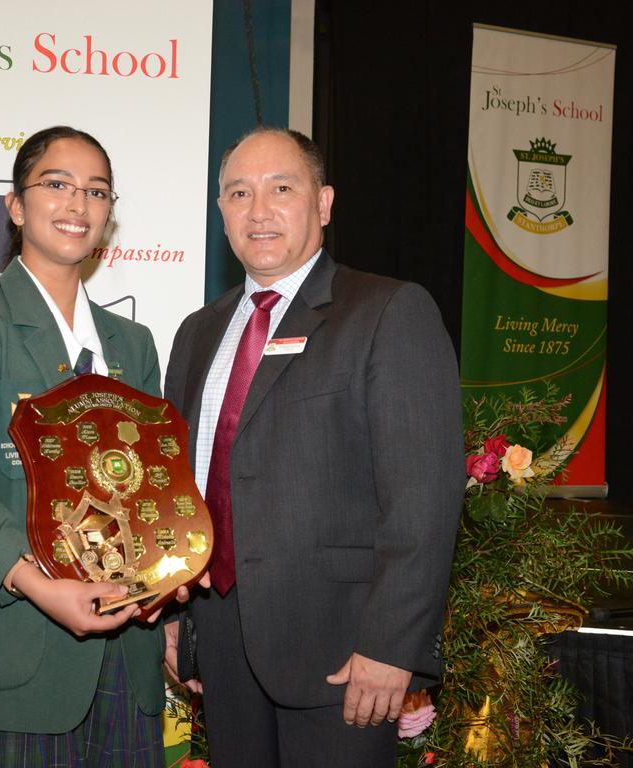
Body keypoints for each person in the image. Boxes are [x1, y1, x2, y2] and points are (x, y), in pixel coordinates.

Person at [162, 127, 464, 766]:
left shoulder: (388, 311)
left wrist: (392, 647)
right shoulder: (197, 334)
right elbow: (183, 493)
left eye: (281, 188)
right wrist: (178, 624)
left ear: (323, 204)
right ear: (221, 212)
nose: (259, 210)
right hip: (222, 651)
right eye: (238, 193)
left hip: (345, 657)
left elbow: (424, 499)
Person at [0, 126, 168, 767]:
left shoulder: (132, 344)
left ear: (109, 216)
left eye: (97, 191)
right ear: (17, 206)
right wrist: (40, 585)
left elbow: (155, 493)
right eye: (57, 184)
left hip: (128, 664)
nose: (78, 204)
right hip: (15, 659)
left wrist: (171, 572)